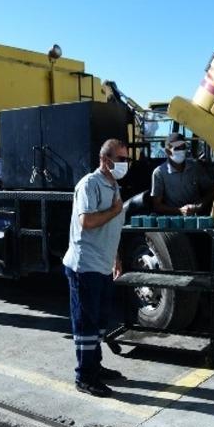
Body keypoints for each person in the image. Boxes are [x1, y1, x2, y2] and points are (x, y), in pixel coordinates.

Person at [63, 139, 129, 397]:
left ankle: (95, 366)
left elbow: (115, 227)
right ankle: (84, 376)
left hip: (103, 264)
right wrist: (114, 210)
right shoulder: (89, 184)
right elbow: (87, 221)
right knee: (86, 323)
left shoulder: (114, 185)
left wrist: (117, 257)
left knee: (100, 321)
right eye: (121, 159)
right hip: (85, 265)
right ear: (106, 160)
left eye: (126, 159)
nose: (125, 164)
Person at [150, 132, 213, 217]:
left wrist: (198, 206)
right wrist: (179, 211)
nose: (181, 151)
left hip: (198, 218)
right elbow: (157, 205)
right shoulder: (159, 173)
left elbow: (211, 191)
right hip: (173, 221)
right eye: (177, 148)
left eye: (183, 147)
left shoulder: (195, 167)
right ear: (168, 151)